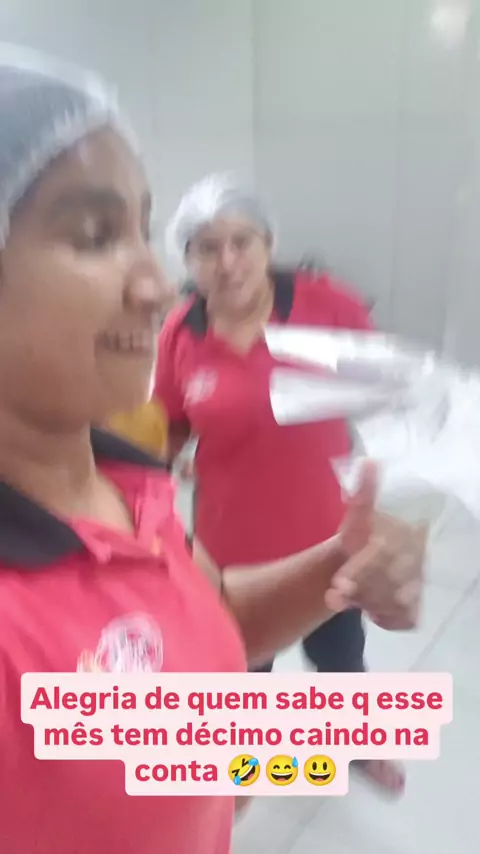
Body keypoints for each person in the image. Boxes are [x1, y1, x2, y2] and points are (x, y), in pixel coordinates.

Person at [0, 47, 425, 854]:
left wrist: (340, 562)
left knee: (332, 670)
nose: (158, 283)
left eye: (140, 229)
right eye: (93, 235)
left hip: (296, 532)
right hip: (238, 528)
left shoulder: (122, 479)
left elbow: (208, 614)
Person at [155, 173, 405, 794]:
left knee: (341, 660)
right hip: (231, 553)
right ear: (187, 258)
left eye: (242, 241)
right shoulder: (181, 332)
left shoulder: (327, 305)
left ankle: (356, 745)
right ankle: (240, 772)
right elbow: (170, 425)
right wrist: (156, 473)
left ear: (268, 244)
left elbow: (385, 385)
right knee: (240, 671)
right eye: (206, 248)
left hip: (326, 540)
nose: (227, 262)